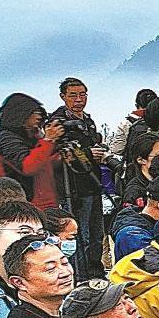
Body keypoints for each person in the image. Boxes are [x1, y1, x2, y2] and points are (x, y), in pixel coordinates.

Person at [52, 78, 110, 279]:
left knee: (96, 234)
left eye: (82, 94)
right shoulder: (58, 123)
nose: (79, 99)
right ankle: (81, 275)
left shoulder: (88, 121)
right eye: (73, 95)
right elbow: (58, 156)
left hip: (93, 183)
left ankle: (96, 272)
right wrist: (87, 153)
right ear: (63, 97)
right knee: (80, 235)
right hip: (74, 188)